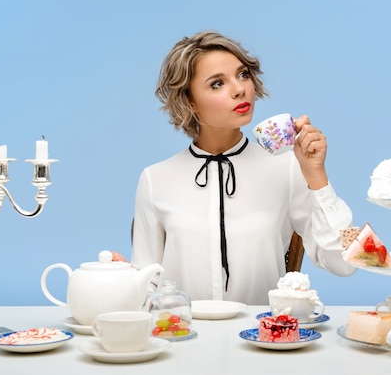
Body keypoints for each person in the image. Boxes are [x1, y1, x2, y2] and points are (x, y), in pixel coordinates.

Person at [131, 31, 355, 305]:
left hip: (262, 340)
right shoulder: (156, 179)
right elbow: (146, 286)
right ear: (189, 101)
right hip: (184, 338)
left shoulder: (286, 169)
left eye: (243, 75)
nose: (239, 89)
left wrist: (316, 176)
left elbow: (344, 262)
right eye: (217, 84)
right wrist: (119, 280)